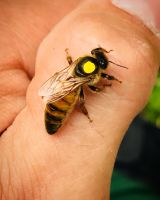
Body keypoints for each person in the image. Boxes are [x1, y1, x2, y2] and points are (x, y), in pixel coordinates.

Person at [0, 0, 159, 199]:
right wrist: (109, 82)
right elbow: (96, 85)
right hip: (64, 102)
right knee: (85, 100)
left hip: (60, 89)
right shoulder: (94, 76)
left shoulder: (77, 64)